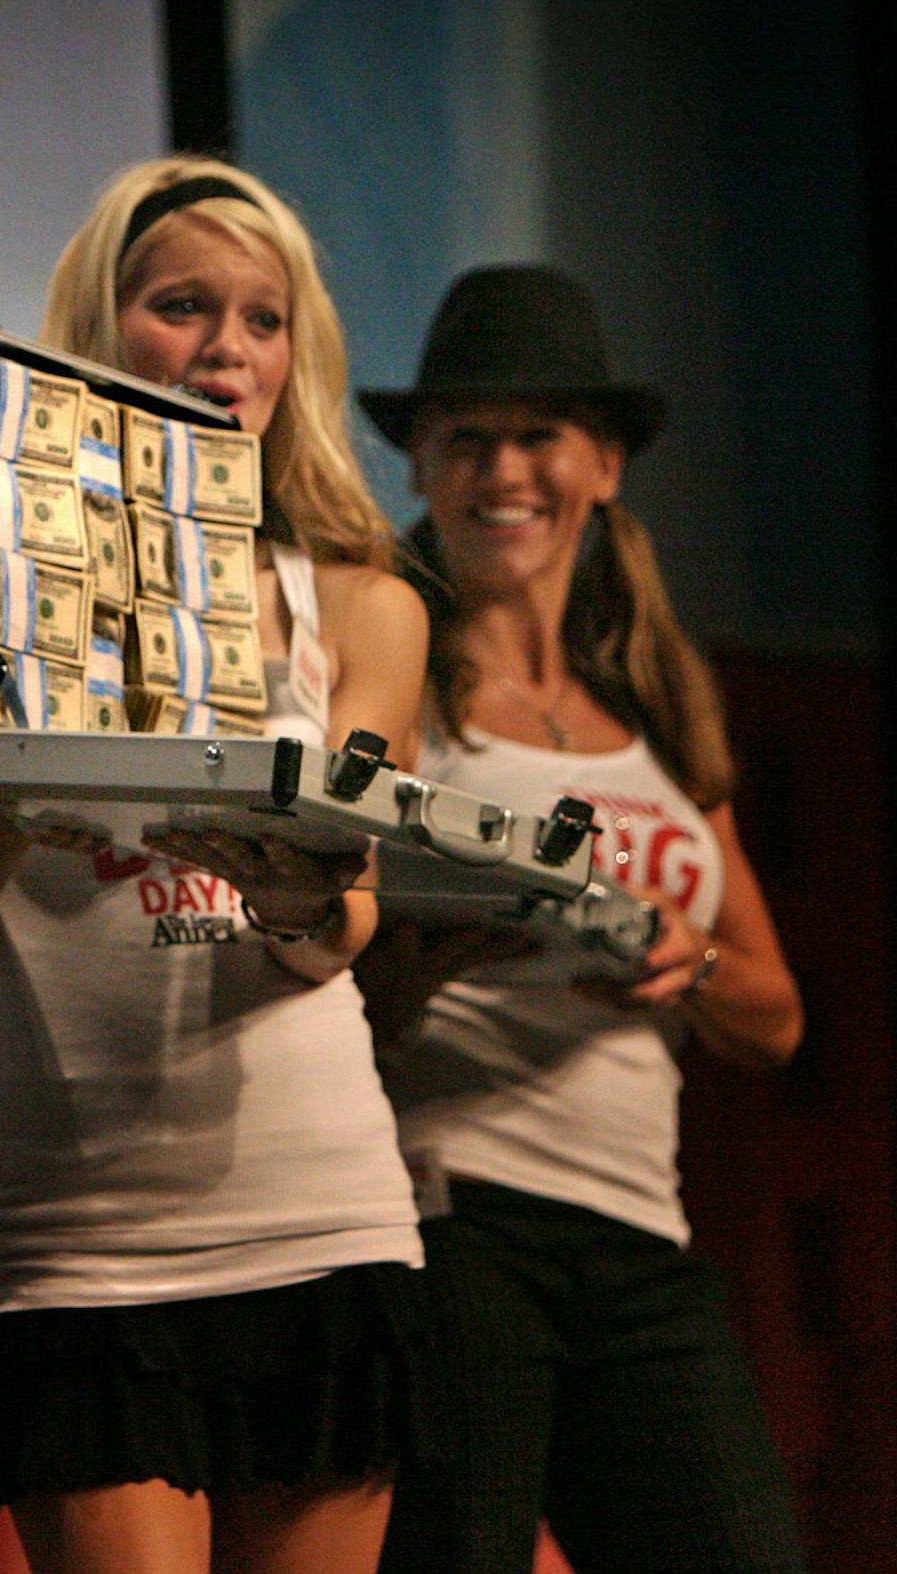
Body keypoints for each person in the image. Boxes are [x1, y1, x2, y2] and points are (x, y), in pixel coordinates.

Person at [0, 155, 437, 1574]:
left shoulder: (362, 604)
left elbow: (339, 917)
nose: (227, 349)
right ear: (99, 323)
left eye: (262, 316)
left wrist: (303, 885)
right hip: (77, 1238)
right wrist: (30, 772)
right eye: (183, 305)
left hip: (318, 1211)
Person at [354, 264, 806, 1574]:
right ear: (422, 468)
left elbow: (775, 1019)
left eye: (538, 434)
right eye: (466, 439)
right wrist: (408, 964)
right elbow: (316, 946)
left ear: (603, 463)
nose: (505, 470)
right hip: (453, 1215)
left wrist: (691, 952)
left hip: (643, 1243)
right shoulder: (393, 680)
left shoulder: (657, 708)